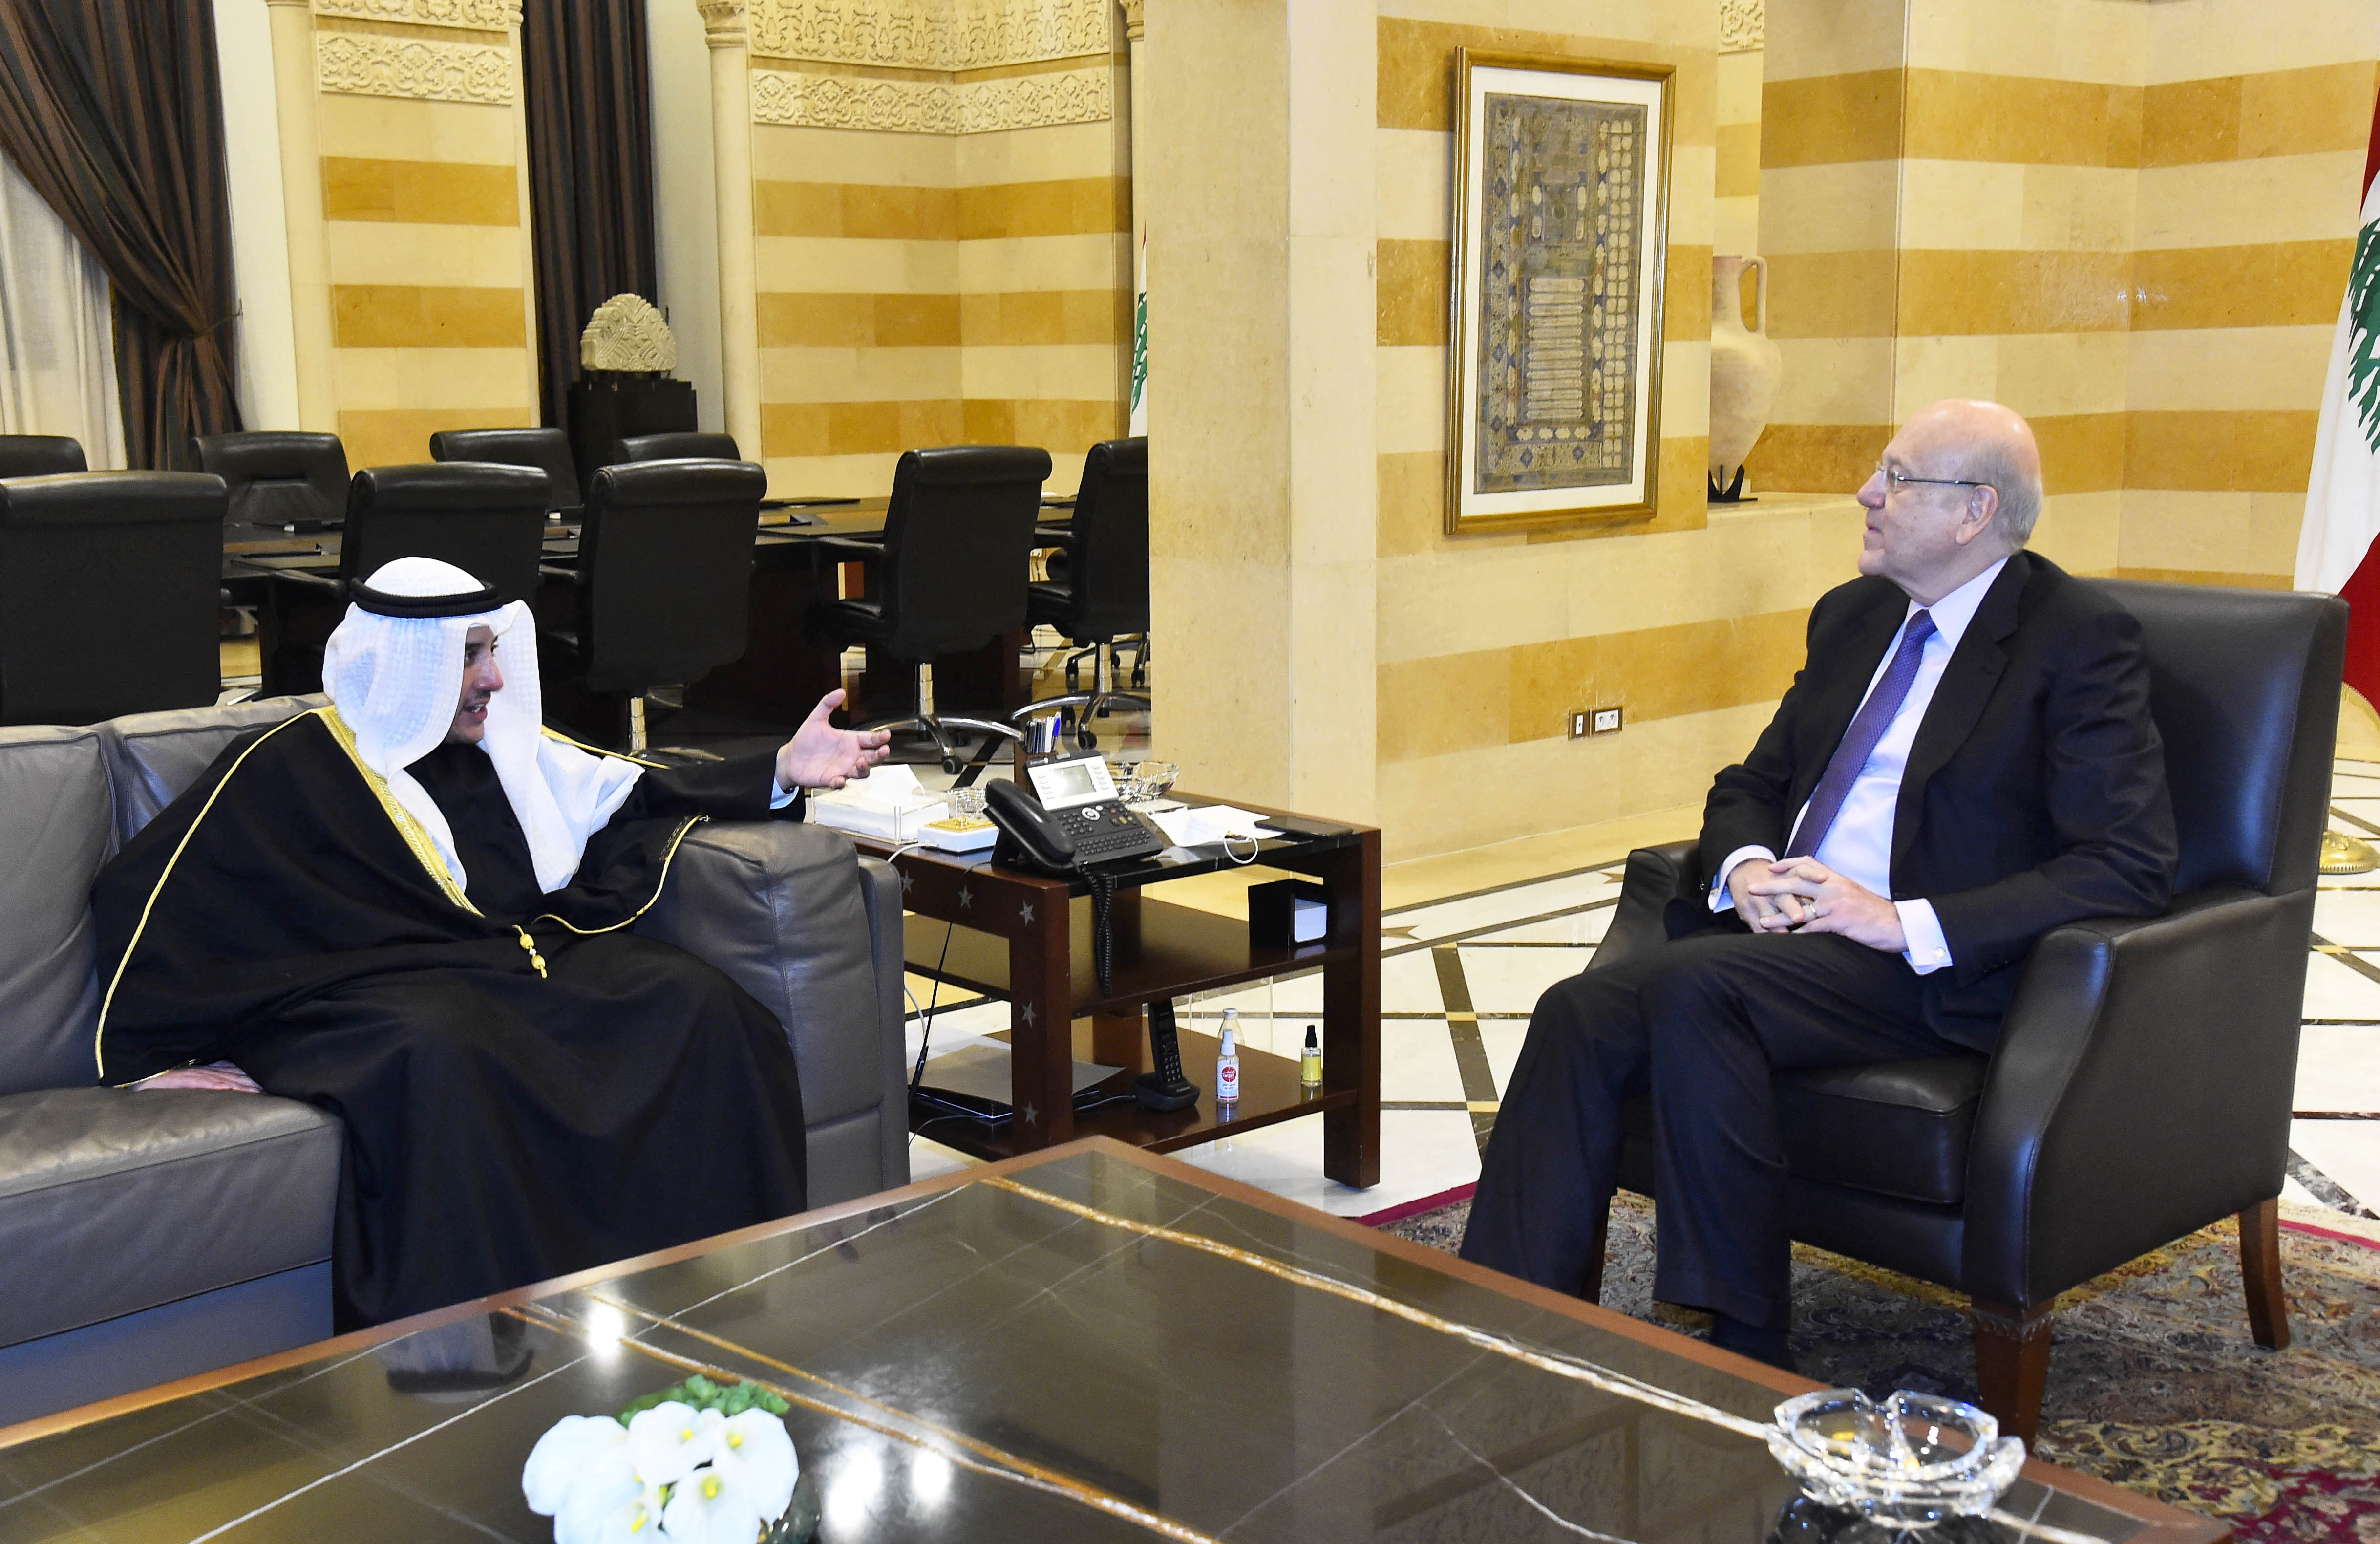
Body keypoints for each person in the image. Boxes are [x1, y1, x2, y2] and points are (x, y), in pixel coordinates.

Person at [1459, 400, 2178, 1369]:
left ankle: (1747, 1353)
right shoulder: (1857, 615)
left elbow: (2128, 860)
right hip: (1789, 940)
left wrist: (1900, 920)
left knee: (1697, 988)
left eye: (1898, 478)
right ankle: (1504, 1322)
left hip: (1926, 966)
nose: (1866, 493)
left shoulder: (2077, 639)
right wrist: (1748, 867)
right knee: (1576, 1011)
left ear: (1974, 510)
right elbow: (1751, 784)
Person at [92, 557, 892, 1330]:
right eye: (470, 656)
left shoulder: (501, 749)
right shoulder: (289, 764)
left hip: (512, 964)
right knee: (441, 1052)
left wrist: (781, 768)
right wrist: (154, 1059)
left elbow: (632, 787)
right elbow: (154, 893)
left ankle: (725, 1300)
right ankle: (482, 1348)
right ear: (409, 666)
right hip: (368, 996)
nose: (496, 680)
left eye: (492, 651)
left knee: (697, 1004)